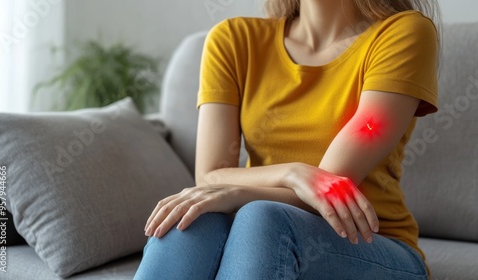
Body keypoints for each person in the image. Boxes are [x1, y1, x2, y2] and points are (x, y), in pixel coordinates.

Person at [135, 0, 440, 279]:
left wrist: (237, 193)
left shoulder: (404, 32)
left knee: (262, 218)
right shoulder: (232, 40)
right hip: (258, 237)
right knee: (188, 218)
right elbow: (209, 175)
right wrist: (292, 173)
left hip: (371, 244)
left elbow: (330, 188)